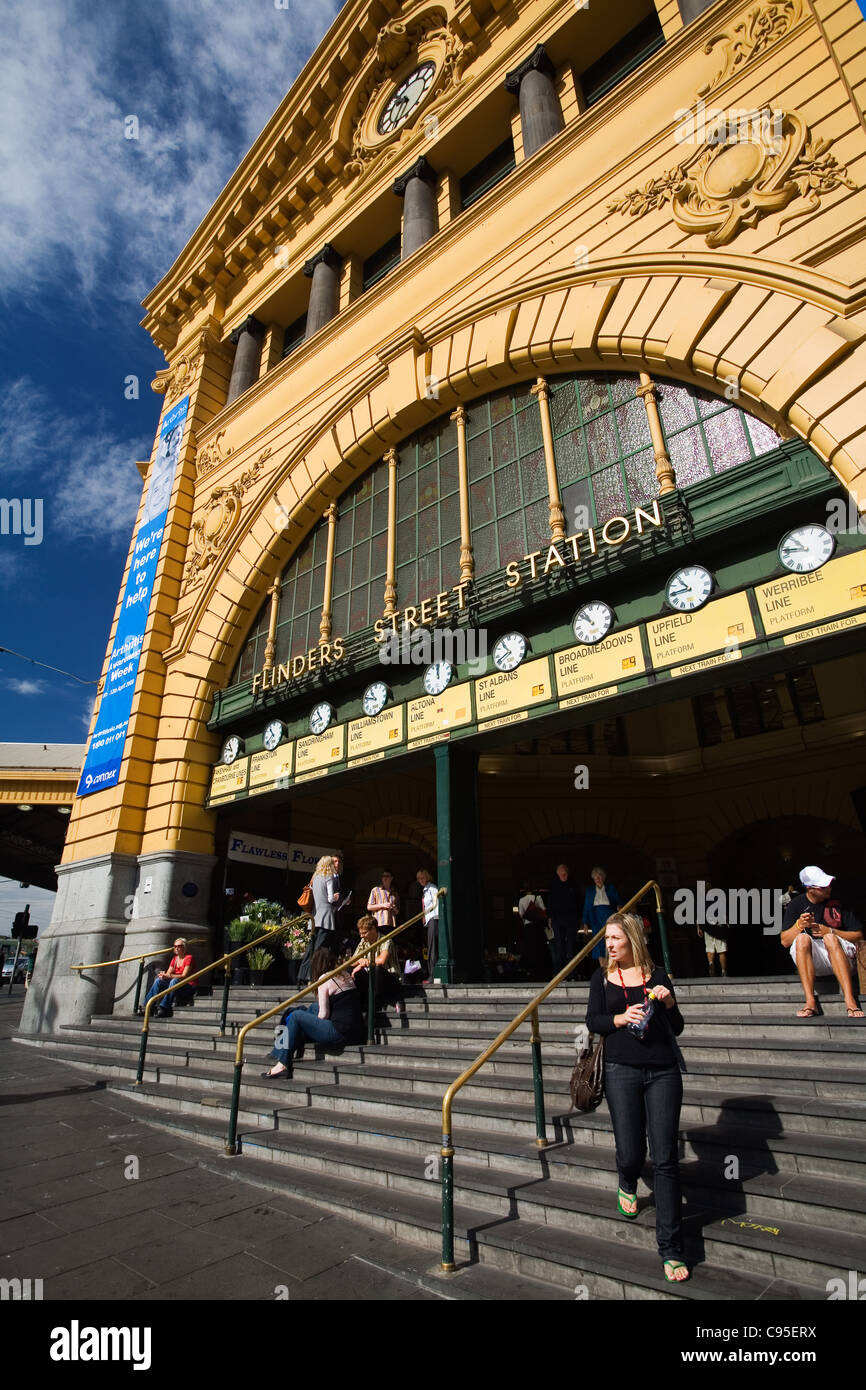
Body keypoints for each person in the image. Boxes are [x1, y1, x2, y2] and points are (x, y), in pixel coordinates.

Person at [586, 910, 689, 1284]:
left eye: (615, 939)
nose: (610, 945)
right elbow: (593, 1020)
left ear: (632, 939)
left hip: (662, 1070)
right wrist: (619, 1019)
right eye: (607, 939)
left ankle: (671, 1247)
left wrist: (669, 1003)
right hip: (620, 1071)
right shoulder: (602, 978)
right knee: (631, 1150)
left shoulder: (657, 975)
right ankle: (627, 1179)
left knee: (665, 1158)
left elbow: (676, 1028)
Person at [262, 948, 363, 1078]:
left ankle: (283, 1063)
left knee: (296, 1016)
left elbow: (323, 1015)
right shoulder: (344, 974)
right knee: (305, 1010)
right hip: (354, 1029)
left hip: (340, 1032)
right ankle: (278, 1049)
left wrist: (307, 1020)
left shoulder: (323, 979)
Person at [780, 865, 864, 1019]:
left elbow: (858, 935)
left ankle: (850, 999)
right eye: (824, 886)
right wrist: (799, 925)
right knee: (802, 938)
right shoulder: (796, 904)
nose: (829, 888)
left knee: (829, 938)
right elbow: (785, 941)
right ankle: (810, 1002)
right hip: (816, 962)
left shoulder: (839, 901)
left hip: (844, 958)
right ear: (810, 889)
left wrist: (831, 931)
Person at [351, 914, 404, 1013]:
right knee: (354, 972)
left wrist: (366, 962)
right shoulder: (363, 941)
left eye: (364, 933)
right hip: (371, 977)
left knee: (377, 969)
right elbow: (352, 961)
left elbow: (382, 960)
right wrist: (360, 961)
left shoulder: (386, 940)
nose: (361, 936)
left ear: (373, 929)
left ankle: (373, 1006)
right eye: (360, 933)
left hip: (390, 978)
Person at [143, 938, 195, 1018]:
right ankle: (149, 1007)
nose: (176, 948)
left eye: (179, 946)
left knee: (174, 980)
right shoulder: (175, 959)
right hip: (175, 984)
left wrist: (169, 976)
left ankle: (165, 1008)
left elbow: (184, 976)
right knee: (158, 981)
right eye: (175, 946)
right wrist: (163, 976)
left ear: (184, 947)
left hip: (188, 986)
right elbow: (168, 974)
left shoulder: (189, 958)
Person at [581, 866, 621, 968]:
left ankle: (613, 966)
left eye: (600, 876)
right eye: (596, 877)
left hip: (609, 916)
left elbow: (618, 902)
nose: (598, 879)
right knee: (599, 943)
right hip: (595, 919)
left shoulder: (610, 888)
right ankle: (603, 968)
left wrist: (619, 908)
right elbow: (586, 907)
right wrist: (585, 923)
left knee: (611, 940)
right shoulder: (590, 891)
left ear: (604, 877)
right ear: (593, 878)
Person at [547, 864, 582, 976]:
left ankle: (573, 973)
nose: (563, 875)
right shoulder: (553, 885)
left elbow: (579, 902)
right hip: (557, 920)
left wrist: (579, 919)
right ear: (557, 874)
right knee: (559, 946)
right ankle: (559, 973)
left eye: (565, 873)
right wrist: (550, 918)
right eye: (561, 873)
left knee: (571, 946)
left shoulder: (574, 884)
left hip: (571, 920)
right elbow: (550, 903)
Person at [518, 883, 552, 980]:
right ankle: (541, 971)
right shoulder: (538, 898)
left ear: (524, 890)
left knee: (529, 948)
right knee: (540, 948)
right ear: (533, 889)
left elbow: (521, 915)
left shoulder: (521, 900)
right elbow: (544, 911)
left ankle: (530, 971)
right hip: (538, 927)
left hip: (528, 928)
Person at [417, 869, 439, 984]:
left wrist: (435, 918)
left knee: (433, 947)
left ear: (427, 877)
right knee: (430, 947)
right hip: (429, 920)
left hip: (434, 919)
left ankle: (433, 975)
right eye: (419, 878)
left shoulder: (432, 888)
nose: (420, 880)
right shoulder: (425, 890)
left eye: (422, 877)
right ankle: (431, 974)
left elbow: (437, 903)